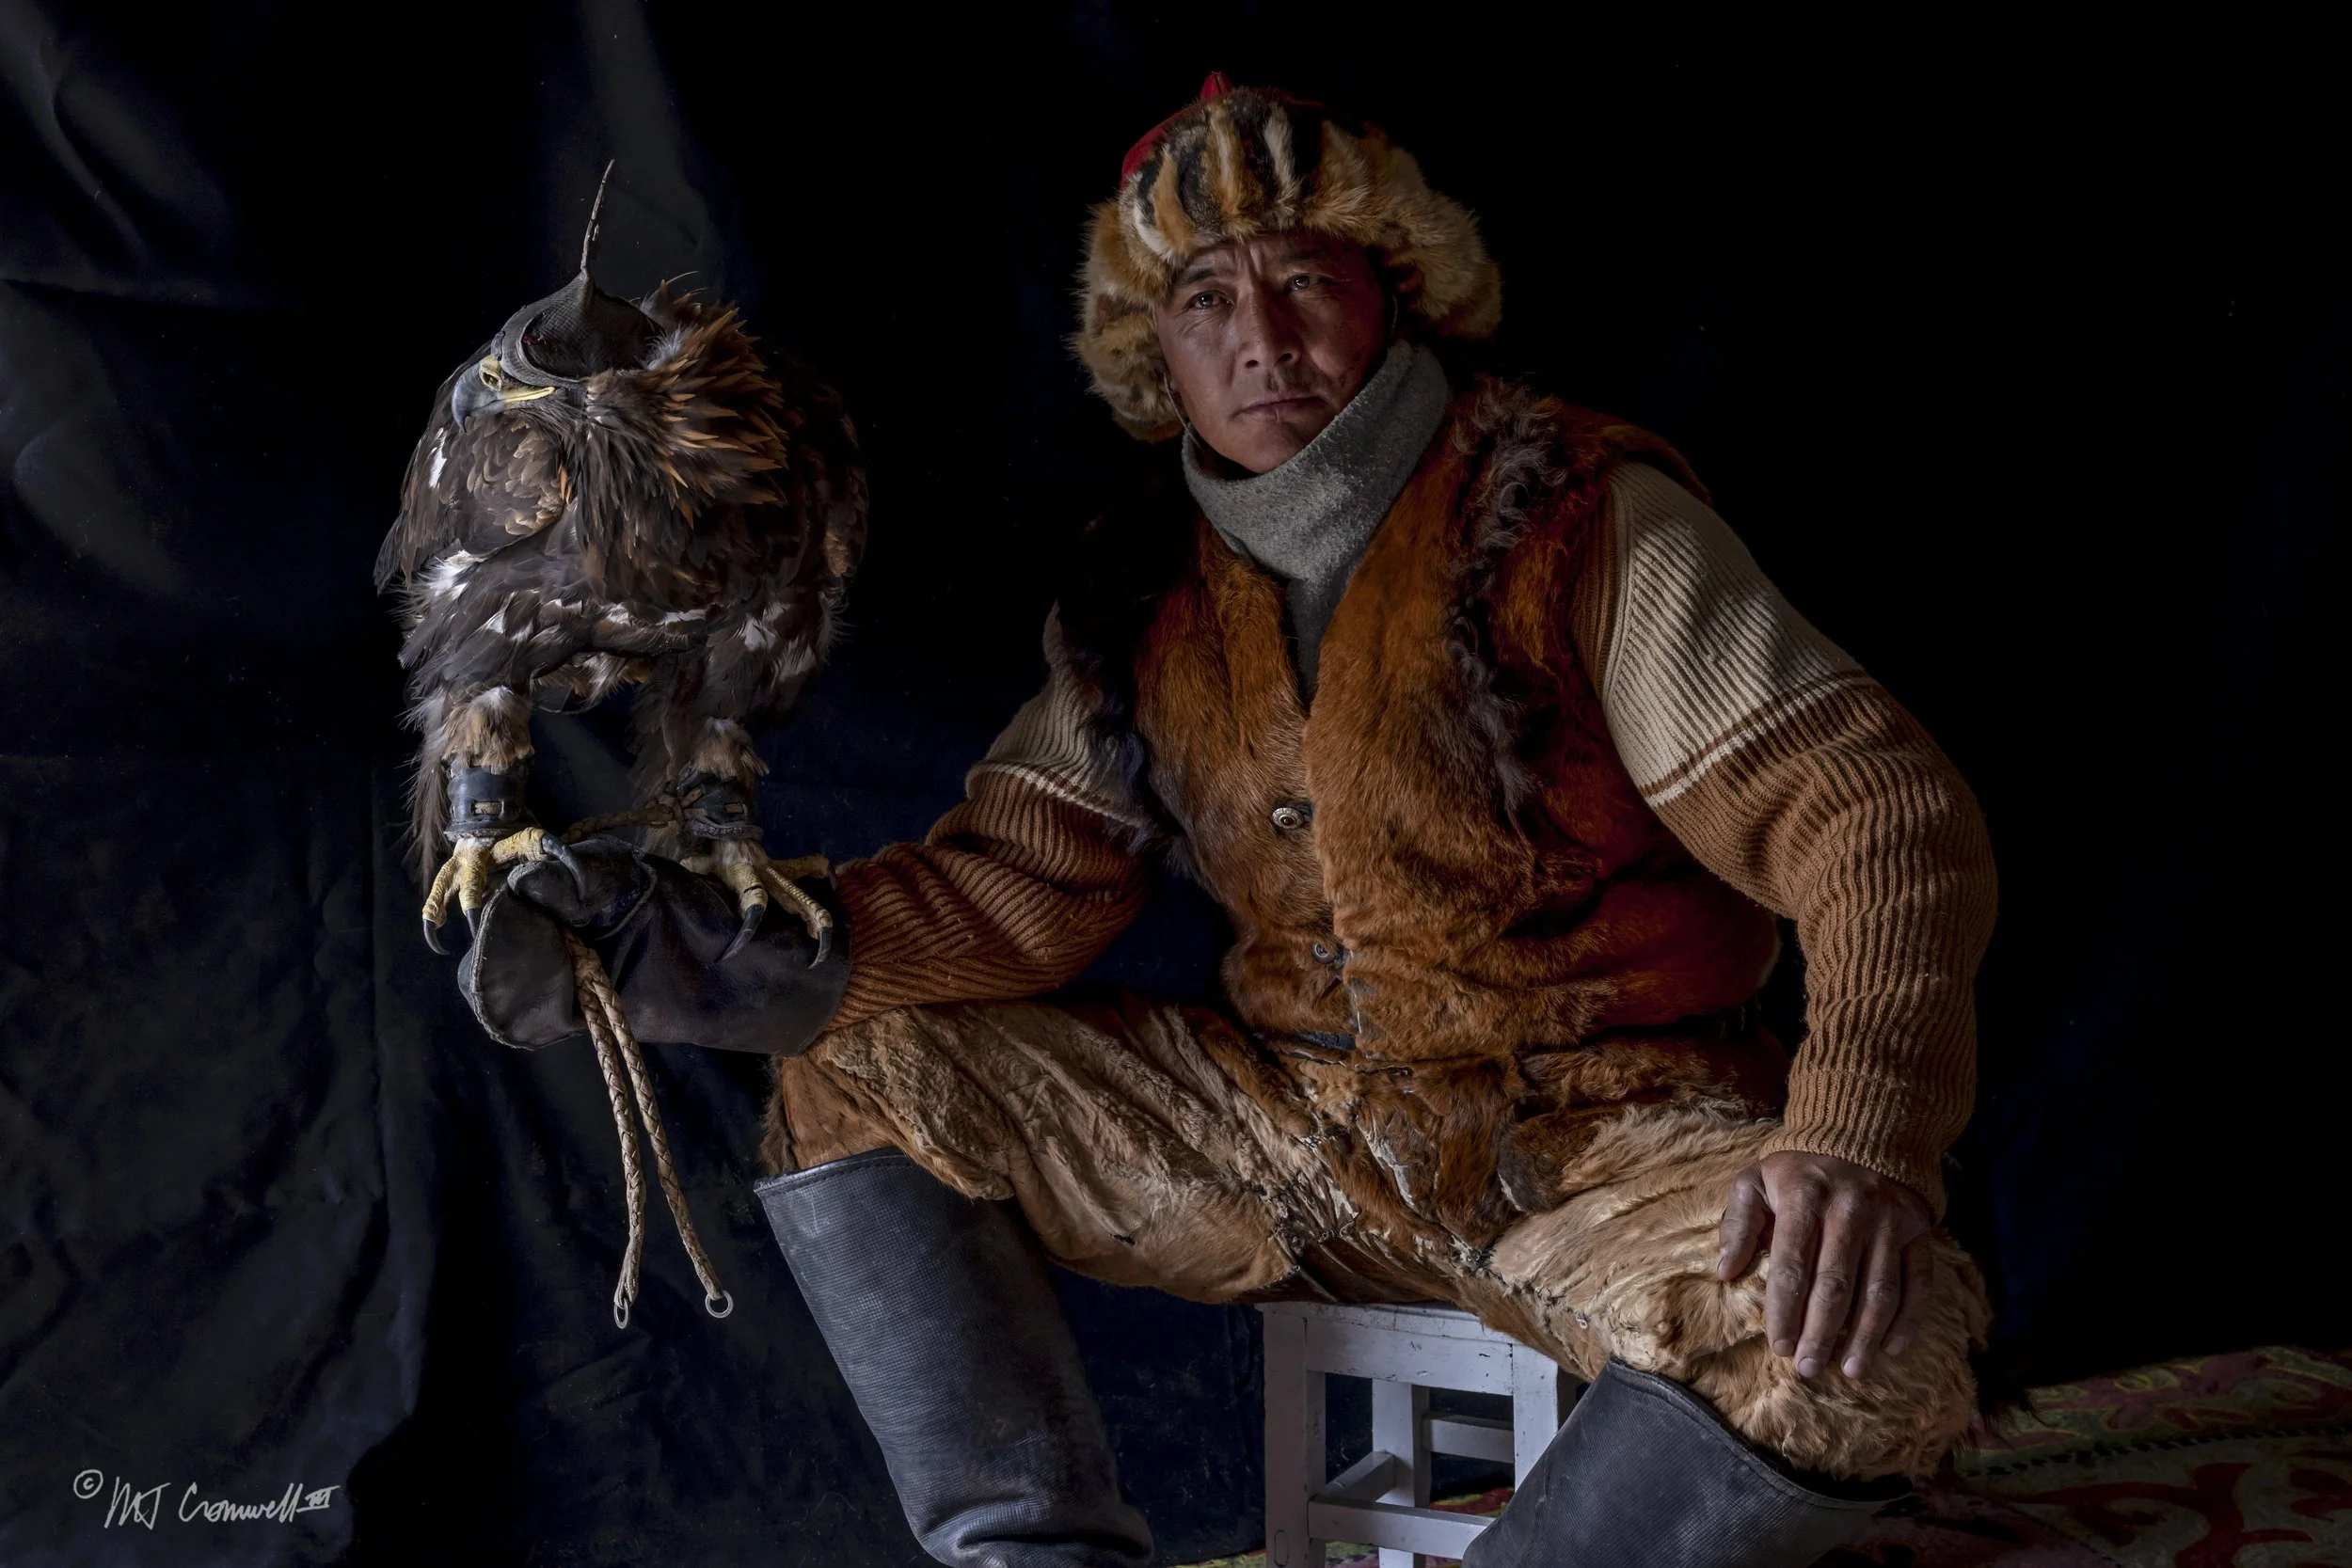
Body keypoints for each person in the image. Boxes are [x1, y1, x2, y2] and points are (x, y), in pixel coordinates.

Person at [462, 76, 1996, 1568]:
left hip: (1612, 1142)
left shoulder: (1575, 515)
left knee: (1871, 1343)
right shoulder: (1143, 586)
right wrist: (683, 944)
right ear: (1159, 354)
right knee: (864, 1066)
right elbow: (1012, 889)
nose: (1261, 337)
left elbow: (1869, 811)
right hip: (1300, 1135)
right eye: (1206, 299)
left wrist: (1856, 1135)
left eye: (1305, 280)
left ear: (1395, 293)